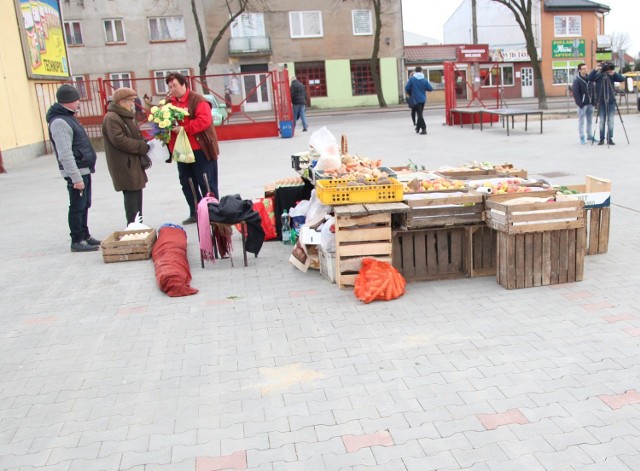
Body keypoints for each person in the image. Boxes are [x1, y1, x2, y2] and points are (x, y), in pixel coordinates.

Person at [46, 84, 100, 253]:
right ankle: (77, 239)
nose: (79, 103)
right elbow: (65, 153)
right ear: (68, 101)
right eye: (77, 100)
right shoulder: (60, 122)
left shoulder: (68, 117)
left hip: (83, 169)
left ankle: (85, 235)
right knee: (77, 206)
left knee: (85, 204)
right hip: (76, 172)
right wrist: (75, 178)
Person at [165, 72, 220, 224]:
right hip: (181, 150)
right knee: (187, 182)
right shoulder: (169, 103)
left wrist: (184, 129)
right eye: (170, 86)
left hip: (200, 149)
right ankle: (195, 212)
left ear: (184, 84)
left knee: (205, 181)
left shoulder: (198, 100)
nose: (172, 89)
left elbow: (204, 121)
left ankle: (213, 211)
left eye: (174, 85)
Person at [102, 87, 151, 225]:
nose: (132, 104)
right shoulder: (112, 117)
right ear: (121, 101)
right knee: (131, 196)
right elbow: (119, 140)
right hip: (124, 164)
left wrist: (146, 142)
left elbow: (135, 134)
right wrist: (142, 147)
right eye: (130, 101)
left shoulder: (125, 115)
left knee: (136, 194)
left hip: (132, 162)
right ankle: (133, 226)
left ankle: (138, 224)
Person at [587, 62, 625, 145]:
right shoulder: (598, 75)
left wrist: (614, 73)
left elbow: (622, 79)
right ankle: (602, 138)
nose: (608, 69)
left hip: (611, 101)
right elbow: (589, 78)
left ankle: (610, 138)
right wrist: (595, 70)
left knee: (611, 121)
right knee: (602, 121)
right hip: (601, 101)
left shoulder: (611, 75)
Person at [404, 66, 433, 135]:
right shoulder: (424, 79)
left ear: (415, 71)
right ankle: (417, 128)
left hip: (415, 99)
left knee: (419, 115)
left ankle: (424, 129)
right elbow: (430, 88)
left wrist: (411, 91)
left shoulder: (412, 79)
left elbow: (406, 88)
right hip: (423, 99)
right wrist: (423, 88)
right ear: (421, 71)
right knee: (420, 113)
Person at [572, 63, 595, 145]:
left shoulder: (590, 79)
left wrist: (593, 102)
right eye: (583, 68)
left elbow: (592, 90)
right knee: (581, 121)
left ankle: (589, 135)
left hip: (590, 104)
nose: (585, 70)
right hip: (582, 105)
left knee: (590, 121)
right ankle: (582, 137)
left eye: (586, 68)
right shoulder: (577, 81)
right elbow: (575, 93)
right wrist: (580, 104)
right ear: (580, 70)